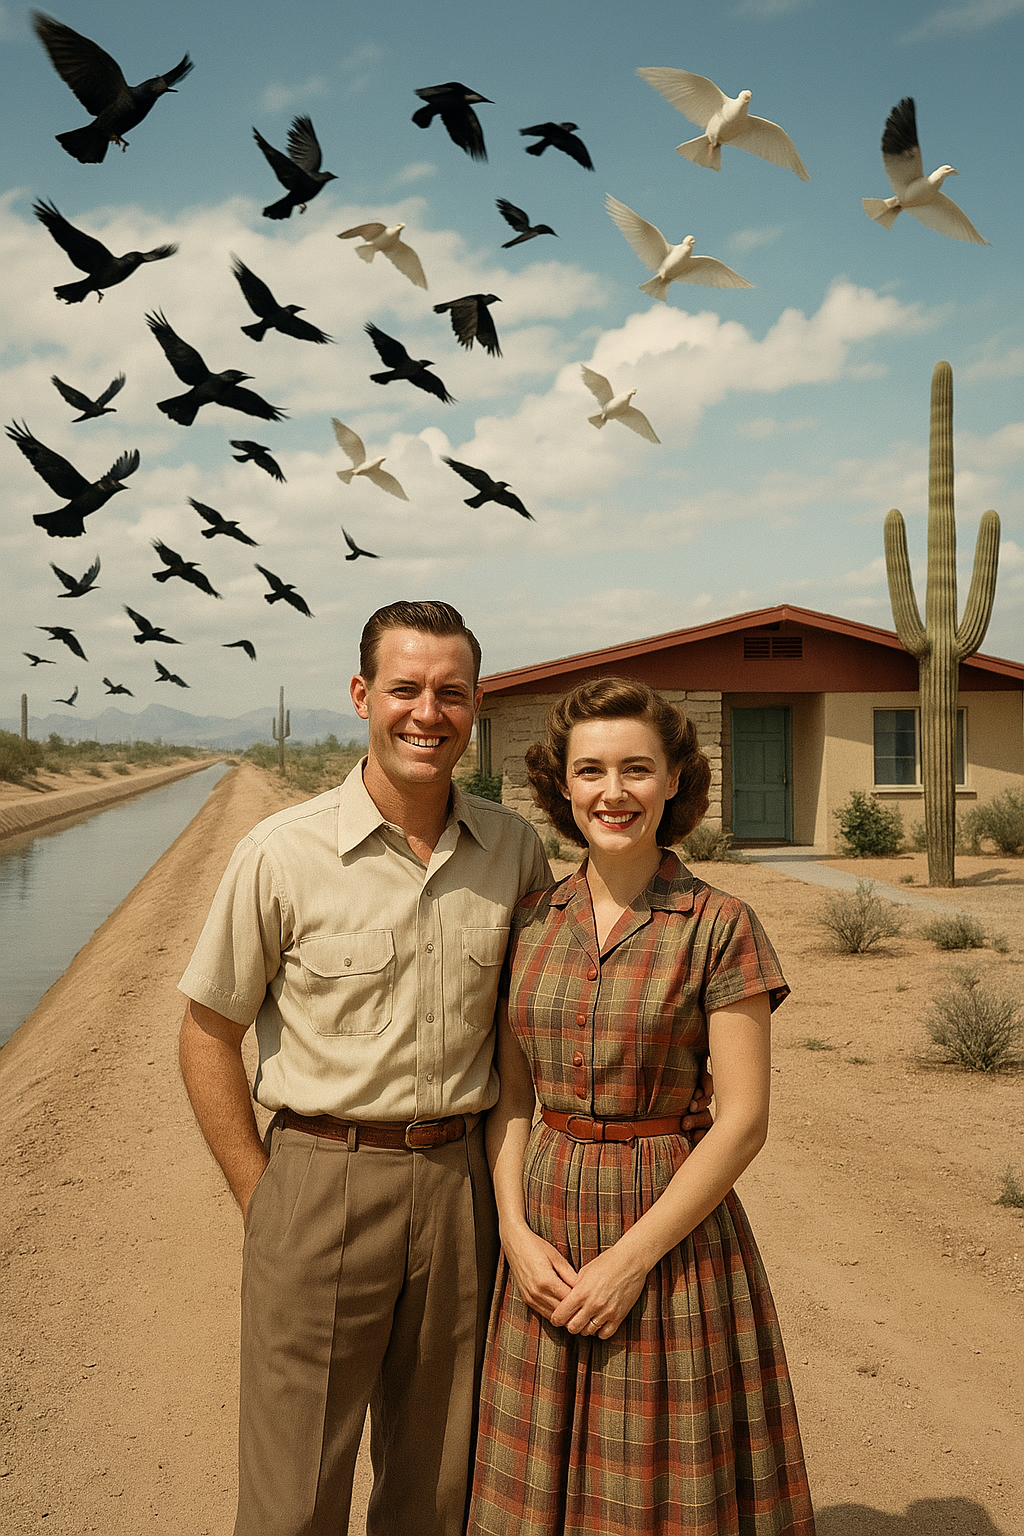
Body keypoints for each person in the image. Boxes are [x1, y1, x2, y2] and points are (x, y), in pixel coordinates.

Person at [177, 600, 715, 1536]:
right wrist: (264, 1200)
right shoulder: (280, 854)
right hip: (319, 1179)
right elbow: (204, 1032)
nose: (428, 712)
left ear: (475, 706)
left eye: (451, 693)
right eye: (406, 689)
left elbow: (548, 1006)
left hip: (463, 1189)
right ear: (362, 696)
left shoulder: (512, 850)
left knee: (439, 1481)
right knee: (292, 1486)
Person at [467, 677, 816, 1536]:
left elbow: (742, 1121)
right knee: (535, 1478)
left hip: (669, 1231)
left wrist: (630, 1261)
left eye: (636, 769)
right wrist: (513, 1232)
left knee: (660, 1480)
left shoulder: (719, 923)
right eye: (590, 771)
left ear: (672, 782)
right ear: (562, 786)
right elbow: (513, 1096)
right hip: (543, 1222)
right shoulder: (529, 922)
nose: (612, 792)